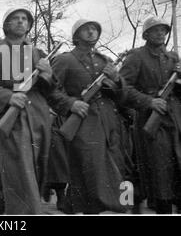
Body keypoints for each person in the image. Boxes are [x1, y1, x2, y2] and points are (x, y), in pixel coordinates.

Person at [0, 7, 72, 214]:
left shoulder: (37, 53)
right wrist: (8, 97)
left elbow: (52, 91)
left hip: (40, 118)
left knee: (37, 171)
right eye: (14, 18)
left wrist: (48, 74)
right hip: (13, 117)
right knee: (21, 172)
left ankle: (10, 204)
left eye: (24, 19)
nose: (20, 22)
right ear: (6, 24)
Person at [50, 18, 128, 214]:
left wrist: (117, 79)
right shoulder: (65, 60)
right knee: (89, 171)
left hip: (108, 123)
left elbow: (123, 96)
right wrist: (71, 103)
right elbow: (51, 90)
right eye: (86, 29)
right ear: (76, 35)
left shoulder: (105, 61)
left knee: (115, 169)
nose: (92, 32)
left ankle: (116, 206)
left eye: (94, 29)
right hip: (83, 123)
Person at [120, 16, 181, 214]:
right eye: (155, 30)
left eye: (163, 30)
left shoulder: (173, 58)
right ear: (146, 34)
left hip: (175, 119)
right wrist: (148, 101)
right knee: (159, 172)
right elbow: (123, 88)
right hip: (151, 120)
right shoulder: (136, 57)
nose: (161, 33)